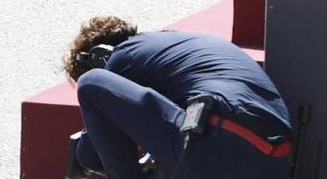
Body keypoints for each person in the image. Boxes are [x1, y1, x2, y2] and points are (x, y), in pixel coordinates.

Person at [65, 15, 291, 178]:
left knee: (91, 84)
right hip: (276, 158)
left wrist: (85, 154)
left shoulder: (122, 57)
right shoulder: (174, 50)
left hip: (220, 142)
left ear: (99, 55)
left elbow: (93, 154)